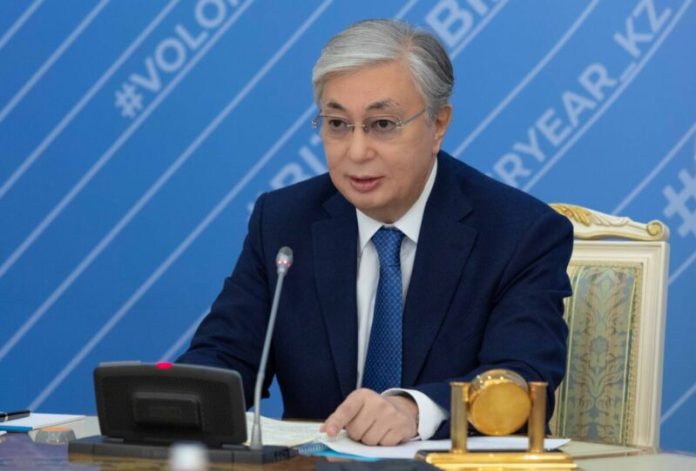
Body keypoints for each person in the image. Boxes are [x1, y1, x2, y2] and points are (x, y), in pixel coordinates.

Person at [178, 19, 573, 446]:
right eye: (337, 124)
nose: (357, 151)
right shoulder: (283, 222)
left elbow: (522, 378)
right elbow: (225, 353)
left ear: (438, 124)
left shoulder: (519, 233)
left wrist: (416, 410)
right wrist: (174, 401)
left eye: (382, 124)